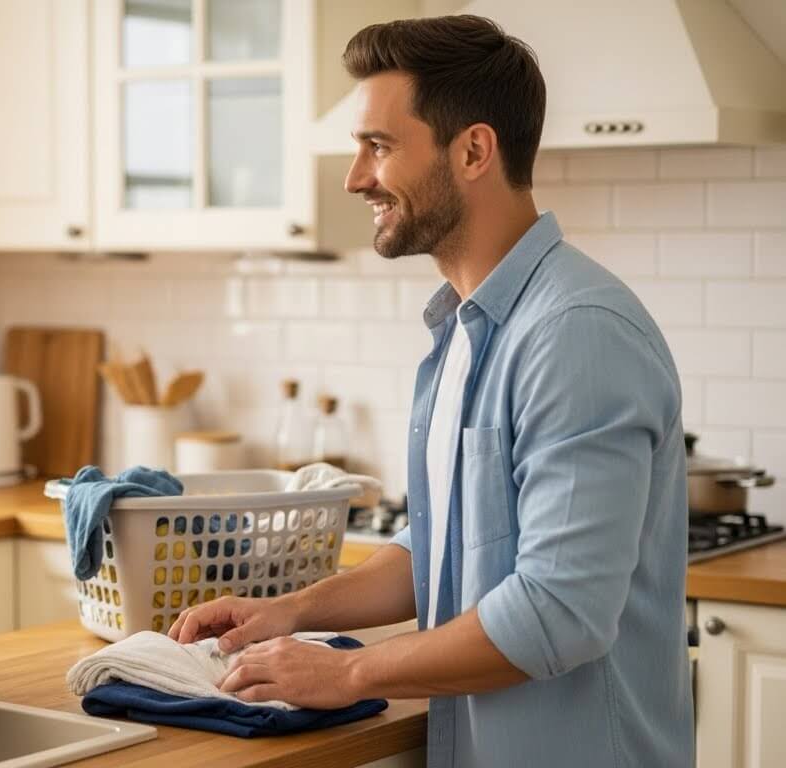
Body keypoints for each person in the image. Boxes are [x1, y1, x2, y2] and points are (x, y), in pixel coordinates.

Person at [170, 15, 693, 767]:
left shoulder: (575, 333)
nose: (354, 177)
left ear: (472, 150)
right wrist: (289, 612)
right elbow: (444, 544)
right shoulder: (467, 328)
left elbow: (558, 611)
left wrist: (346, 670)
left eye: (378, 147)